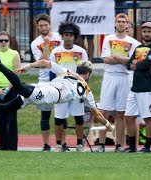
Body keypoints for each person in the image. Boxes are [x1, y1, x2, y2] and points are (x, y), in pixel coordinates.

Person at [0, 56, 115, 137]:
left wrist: (28, 67)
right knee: (21, 89)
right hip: (52, 94)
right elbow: (97, 114)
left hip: (45, 87)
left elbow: (46, 63)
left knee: (7, 107)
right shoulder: (87, 90)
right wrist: (109, 125)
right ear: (88, 74)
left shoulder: (67, 72)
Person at [96, 13, 141, 152]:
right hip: (110, 76)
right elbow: (106, 59)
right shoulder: (108, 39)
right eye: (119, 21)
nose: (121, 24)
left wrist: (116, 56)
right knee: (104, 111)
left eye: (124, 22)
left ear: (127, 25)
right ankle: (101, 144)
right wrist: (124, 59)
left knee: (121, 113)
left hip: (124, 77)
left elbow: (133, 63)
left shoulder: (134, 43)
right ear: (115, 24)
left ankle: (119, 145)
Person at [50, 21, 89, 152]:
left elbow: (87, 71)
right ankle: (59, 144)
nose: (68, 37)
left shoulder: (81, 52)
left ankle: (79, 144)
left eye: (71, 35)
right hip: (61, 89)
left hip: (76, 89)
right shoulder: (56, 52)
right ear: (62, 36)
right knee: (59, 118)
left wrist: (83, 88)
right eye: (66, 34)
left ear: (74, 37)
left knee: (78, 117)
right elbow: (51, 71)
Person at [124, 22, 151, 153]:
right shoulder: (138, 48)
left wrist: (136, 64)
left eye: (149, 31)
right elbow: (128, 65)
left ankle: (147, 146)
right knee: (128, 116)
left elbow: (147, 65)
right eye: (144, 31)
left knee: (148, 118)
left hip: (148, 89)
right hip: (135, 88)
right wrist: (136, 64)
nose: (146, 34)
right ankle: (132, 146)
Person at [30, 14, 63, 152]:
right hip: (44, 81)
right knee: (45, 115)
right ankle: (46, 144)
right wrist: (46, 46)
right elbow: (40, 63)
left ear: (50, 24)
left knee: (61, 114)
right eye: (41, 26)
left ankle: (61, 144)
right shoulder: (35, 43)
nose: (44, 28)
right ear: (37, 27)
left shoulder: (59, 37)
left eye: (46, 25)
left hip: (60, 79)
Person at [0, 31, 21, 151]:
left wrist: (8, 88)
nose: (3, 42)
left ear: (9, 41)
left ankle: (12, 146)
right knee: (0, 119)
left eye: (5, 40)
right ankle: (2, 146)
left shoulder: (14, 54)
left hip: (11, 90)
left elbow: (17, 73)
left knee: (11, 119)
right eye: (1, 40)